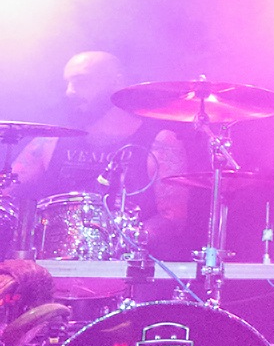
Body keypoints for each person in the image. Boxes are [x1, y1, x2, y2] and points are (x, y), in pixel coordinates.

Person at [12, 50, 191, 256]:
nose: (69, 92)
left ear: (116, 82)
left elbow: (173, 218)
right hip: (55, 264)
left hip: (128, 267)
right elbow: (6, 190)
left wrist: (123, 241)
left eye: (80, 81)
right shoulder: (51, 140)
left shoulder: (160, 141)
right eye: (67, 83)